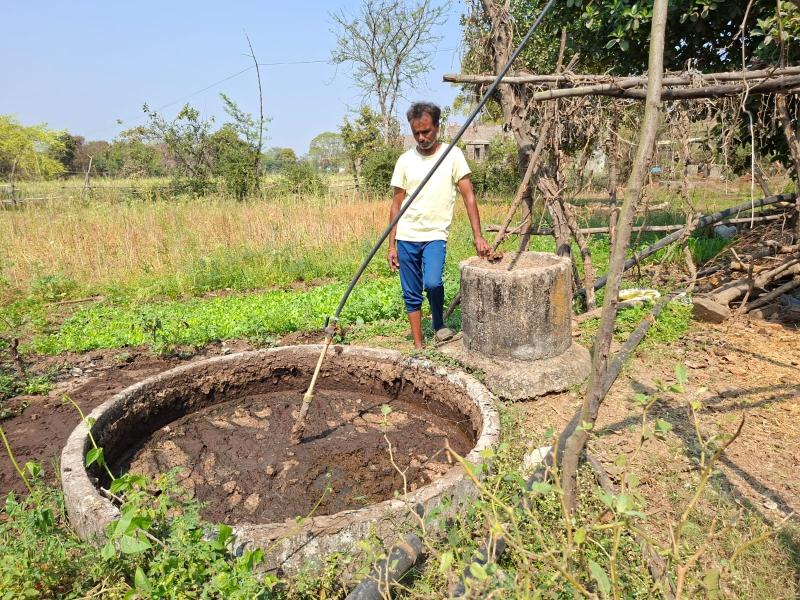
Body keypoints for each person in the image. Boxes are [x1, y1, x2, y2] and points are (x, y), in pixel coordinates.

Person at [387, 102, 491, 349]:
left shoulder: (452, 155)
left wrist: (478, 236)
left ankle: (438, 323)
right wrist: (391, 245)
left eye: (426, 132)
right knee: (411, 292)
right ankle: (418, 345)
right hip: (406, 236)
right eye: (417, 133)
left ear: (437, 127)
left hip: (435, 234)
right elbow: (396, 204)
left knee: (433, 282)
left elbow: (469, 196)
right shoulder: (405, 161)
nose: (422, 138)